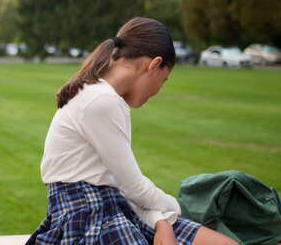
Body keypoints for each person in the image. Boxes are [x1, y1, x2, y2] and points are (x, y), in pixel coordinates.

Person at [26, 17, 239, 245]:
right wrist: (178, 208)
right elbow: (133, 187)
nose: (158, 90)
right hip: (88, 218)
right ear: (154, 64)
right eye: (164, 80)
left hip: (116, 207)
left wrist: (160, 220)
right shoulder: (100, 100)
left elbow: (124, 188)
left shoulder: (104, 97)